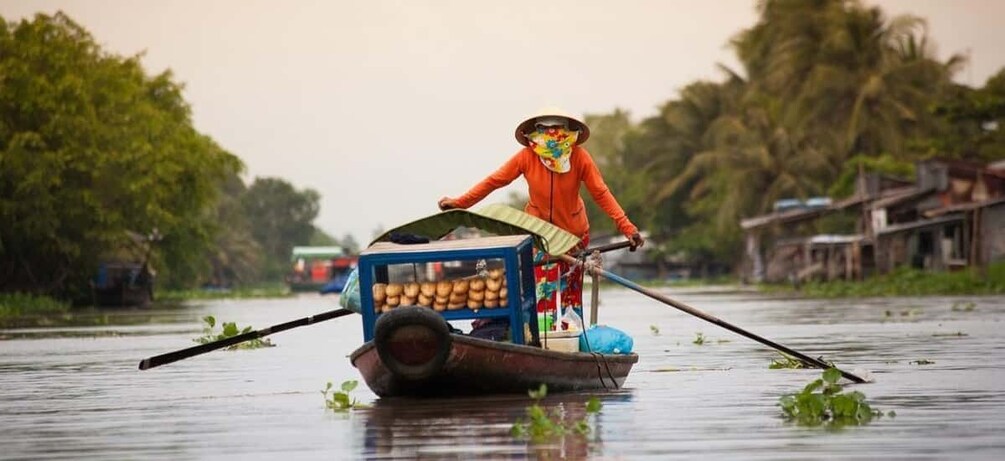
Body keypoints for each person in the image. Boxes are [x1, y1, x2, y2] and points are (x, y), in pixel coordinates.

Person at [438, 107, 644, 317]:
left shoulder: (580, 157)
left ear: (567, 131)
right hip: (540, 235)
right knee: (542, 291)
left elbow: (601, 193)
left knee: (571, 295)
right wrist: (460, 203)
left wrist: (627, 228)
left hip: (574, 235)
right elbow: (494, 181)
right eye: (544, 130)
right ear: (534, 133)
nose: (551, 135)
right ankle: (545, 339)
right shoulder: (526, 157)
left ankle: (571, 338)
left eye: (556, 129)